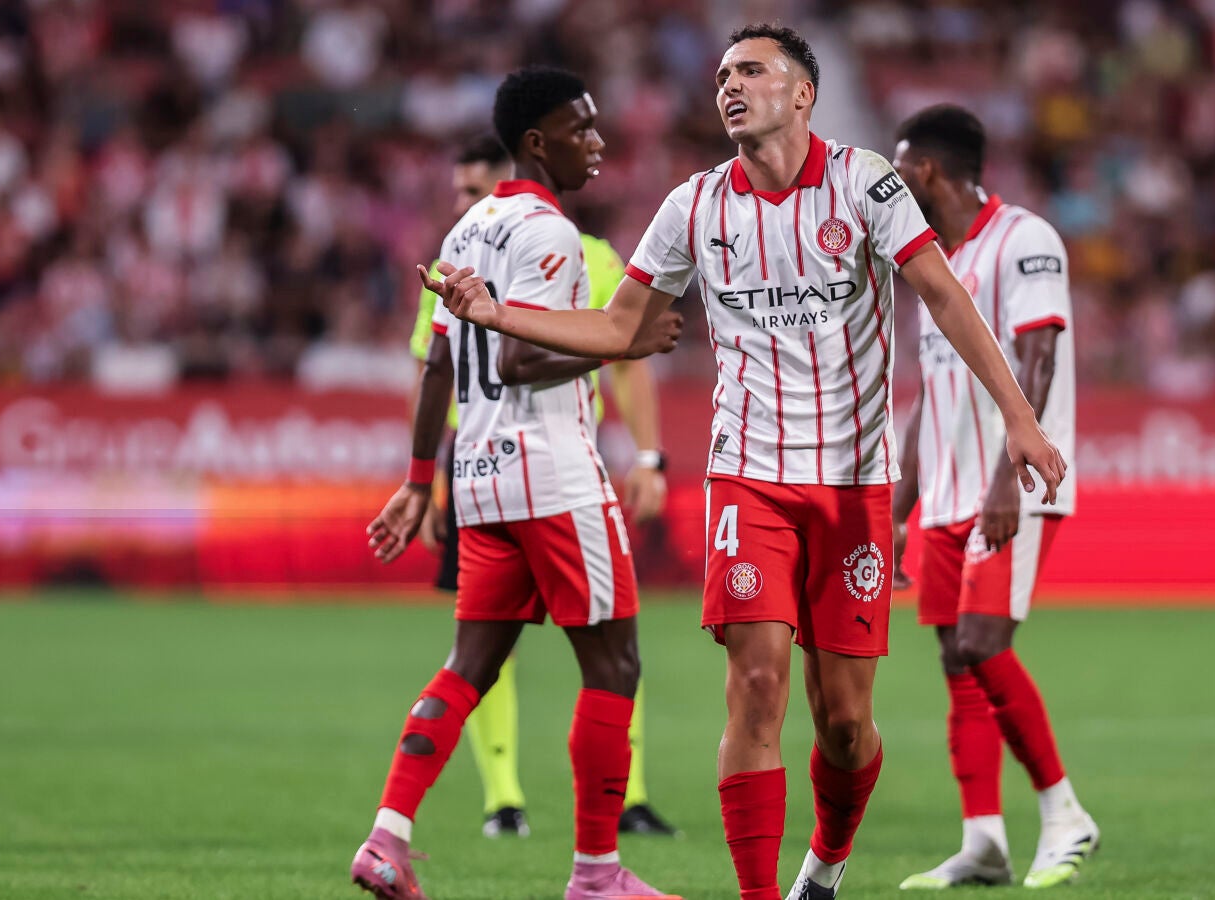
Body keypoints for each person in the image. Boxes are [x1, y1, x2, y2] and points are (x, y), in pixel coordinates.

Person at [422, 26, 1067, 900]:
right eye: (724, 74)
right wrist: (499, 315)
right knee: (756, 684)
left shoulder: (867, 183)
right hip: (748, 477)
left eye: (753, 71)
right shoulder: (693, 204)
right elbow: (618, 326)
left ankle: (825, 865)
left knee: (845, 725)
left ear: (802, 94)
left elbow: (945, 297)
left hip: (852, 484)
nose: (730, 84)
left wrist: (1019, 419)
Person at [353, 67, 682, 900]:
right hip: (554, 474)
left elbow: (439, 363)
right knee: (615, 666)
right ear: (538, 141)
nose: (597, 143)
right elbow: (520, 358)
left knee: (468, 666)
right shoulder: (551, 234)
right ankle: (597, 875)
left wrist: (419, 481)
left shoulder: (466, 230)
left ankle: (387, 837)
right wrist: (627, 343)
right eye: (582, 128)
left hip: (480, 479)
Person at [409, 134, 678, 841]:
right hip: (541, 468)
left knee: (478, 653)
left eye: (474, 190)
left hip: (489, 470)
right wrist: (425, 483)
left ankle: (397, 826)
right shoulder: (498, 247)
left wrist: (649, 455)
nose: (465, 204)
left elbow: (437, 367)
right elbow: (449, 369)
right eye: (459, 193)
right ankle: (518, 806)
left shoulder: (496, 249)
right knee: (606, 645)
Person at [887, 105, 1100, 890]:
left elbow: (1038, 360)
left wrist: (1010, 478)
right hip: (947, 495)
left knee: (982, 644)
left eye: (899, 170)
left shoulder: (1025, 239)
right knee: (956, 659)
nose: (892, 184)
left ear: (929, 171)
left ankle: (1065, 814)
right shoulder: (933, 265)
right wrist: (899, 508)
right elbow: (929, 394)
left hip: (1012, 486)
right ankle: (983, 841)